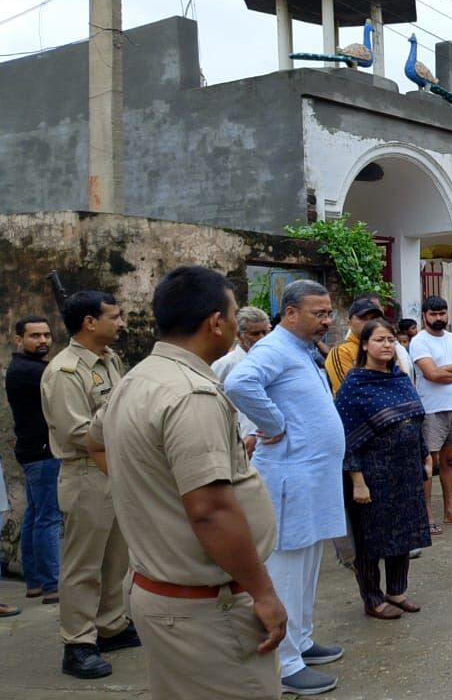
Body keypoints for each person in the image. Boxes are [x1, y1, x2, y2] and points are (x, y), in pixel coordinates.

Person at [91, 266, 285, 699]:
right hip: (205, 608)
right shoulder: (190, 394)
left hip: (166, 596)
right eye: (234, 315)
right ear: (216, 322)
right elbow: (211, 511)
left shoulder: (137, 379)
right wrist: (264, 594)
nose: (236, 325)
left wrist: (150, 494)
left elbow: (95, 442)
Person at [225, 279, 348, 696]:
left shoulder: (301, 349)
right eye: (319, 313)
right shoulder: (274, 348)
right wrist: (274, 425)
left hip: (312, 476)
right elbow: (239, 384)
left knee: (309, 563)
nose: (327, 321)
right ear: (290, 313)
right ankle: (285, 661)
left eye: (329, 313)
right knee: (287, 569)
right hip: (289, 478)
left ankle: (303, 639)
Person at [40, 290, 137, 679]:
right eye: (114, 316)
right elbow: (78, 430)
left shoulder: (109, 359)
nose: (122, 322)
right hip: (85, 472)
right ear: (89, 322)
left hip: (115, 469)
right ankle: (78, 642)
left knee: (117, 557)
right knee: (83, 563)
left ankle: (110, 625)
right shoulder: (64, 371)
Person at [334, 318, 430, 621]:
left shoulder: (400, 379)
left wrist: (424, 456)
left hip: (406, 470)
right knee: (371, 540)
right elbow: (346, 437)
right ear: (364, 345)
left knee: (402, 534)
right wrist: (357, 481)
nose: (386, 345)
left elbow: (416, 419)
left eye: (391, 339)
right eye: (379, 340)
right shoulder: (355, 385)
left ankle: (397, 590)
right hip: (372, 475)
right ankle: (372, 598)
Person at [410, 296, 452, 526]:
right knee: (430, 462)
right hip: (431, 409)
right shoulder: (419, 341)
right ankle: (426, 515)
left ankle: (450, 509)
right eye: (433, 314)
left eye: (442, 313)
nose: (438, 318)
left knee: (451, 459)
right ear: (424, 316)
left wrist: (444, 370)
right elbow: (431, 375)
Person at [6, 315, 60, 605]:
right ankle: (52, 585)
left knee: (35, 515)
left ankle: (36, 583)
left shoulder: (27, 367)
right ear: (19, 340)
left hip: (32, 451)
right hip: (42, 452)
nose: (42, 341)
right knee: (48, 518)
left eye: (46, 335)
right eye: (34, 336)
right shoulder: (31, 370)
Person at [212, 307, 272, 459]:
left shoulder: (275, 362)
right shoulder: (225, 365)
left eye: (265, 332)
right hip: (238, 441)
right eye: (255, 333)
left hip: (270, 440)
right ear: (239, 335)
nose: (262, 338)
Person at [324, 298, 386, 395]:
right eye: (363, 318)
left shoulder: (386, 348)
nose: (369, 323)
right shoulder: (342, 352)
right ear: (349, 323)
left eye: (374, 319)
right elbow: (351, 391)